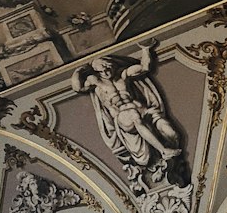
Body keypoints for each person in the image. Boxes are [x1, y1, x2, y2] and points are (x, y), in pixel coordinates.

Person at [72, 44, 184, 188]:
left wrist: (145, 49)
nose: (106, 71)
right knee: (134, 117)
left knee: (172, 133)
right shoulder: (96, 82)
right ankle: (163, 151)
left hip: (144, 111)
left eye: (108, 67)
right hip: (124, 117)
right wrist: (78, 70)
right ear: (97, 72)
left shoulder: (122, 76)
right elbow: (77, 87)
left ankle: (170, 161)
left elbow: (144, 67)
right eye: (102, 70)